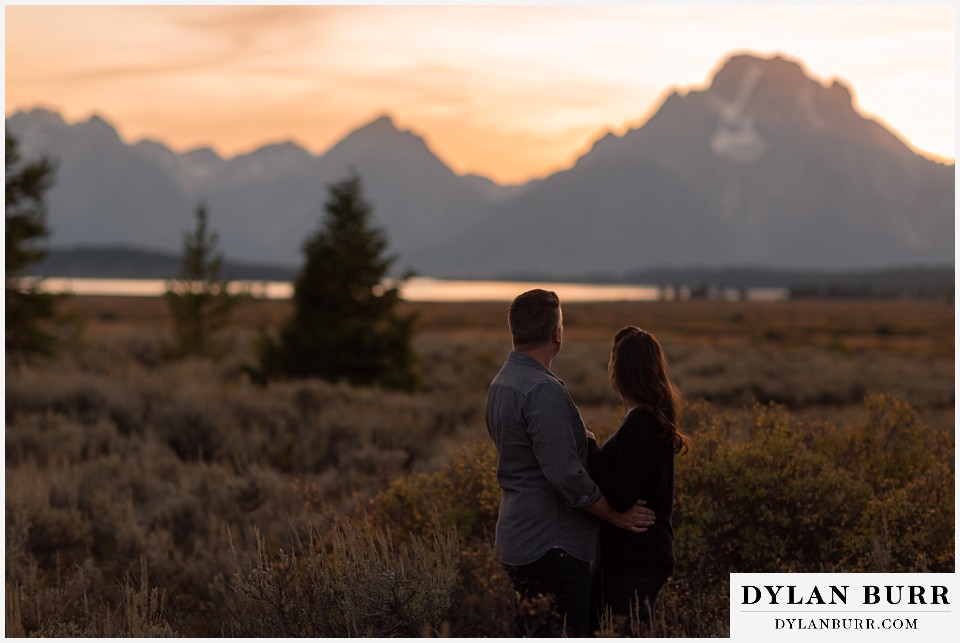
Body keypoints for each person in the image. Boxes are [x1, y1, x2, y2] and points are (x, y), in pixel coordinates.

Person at [485, 289, 656, 638]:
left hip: (519, 538)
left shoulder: (501, 383)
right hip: (552, 547)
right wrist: (616, 515)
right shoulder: (541, 389)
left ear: (515, 331)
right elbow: (565, 474)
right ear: (557, 334)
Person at [587, 326, 690, 633]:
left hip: (635, 561)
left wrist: (590, 447)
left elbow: (621, 495)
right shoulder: (645, 419)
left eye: (612, 360)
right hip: (639, 558)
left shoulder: (641, 424)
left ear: (618, 372)